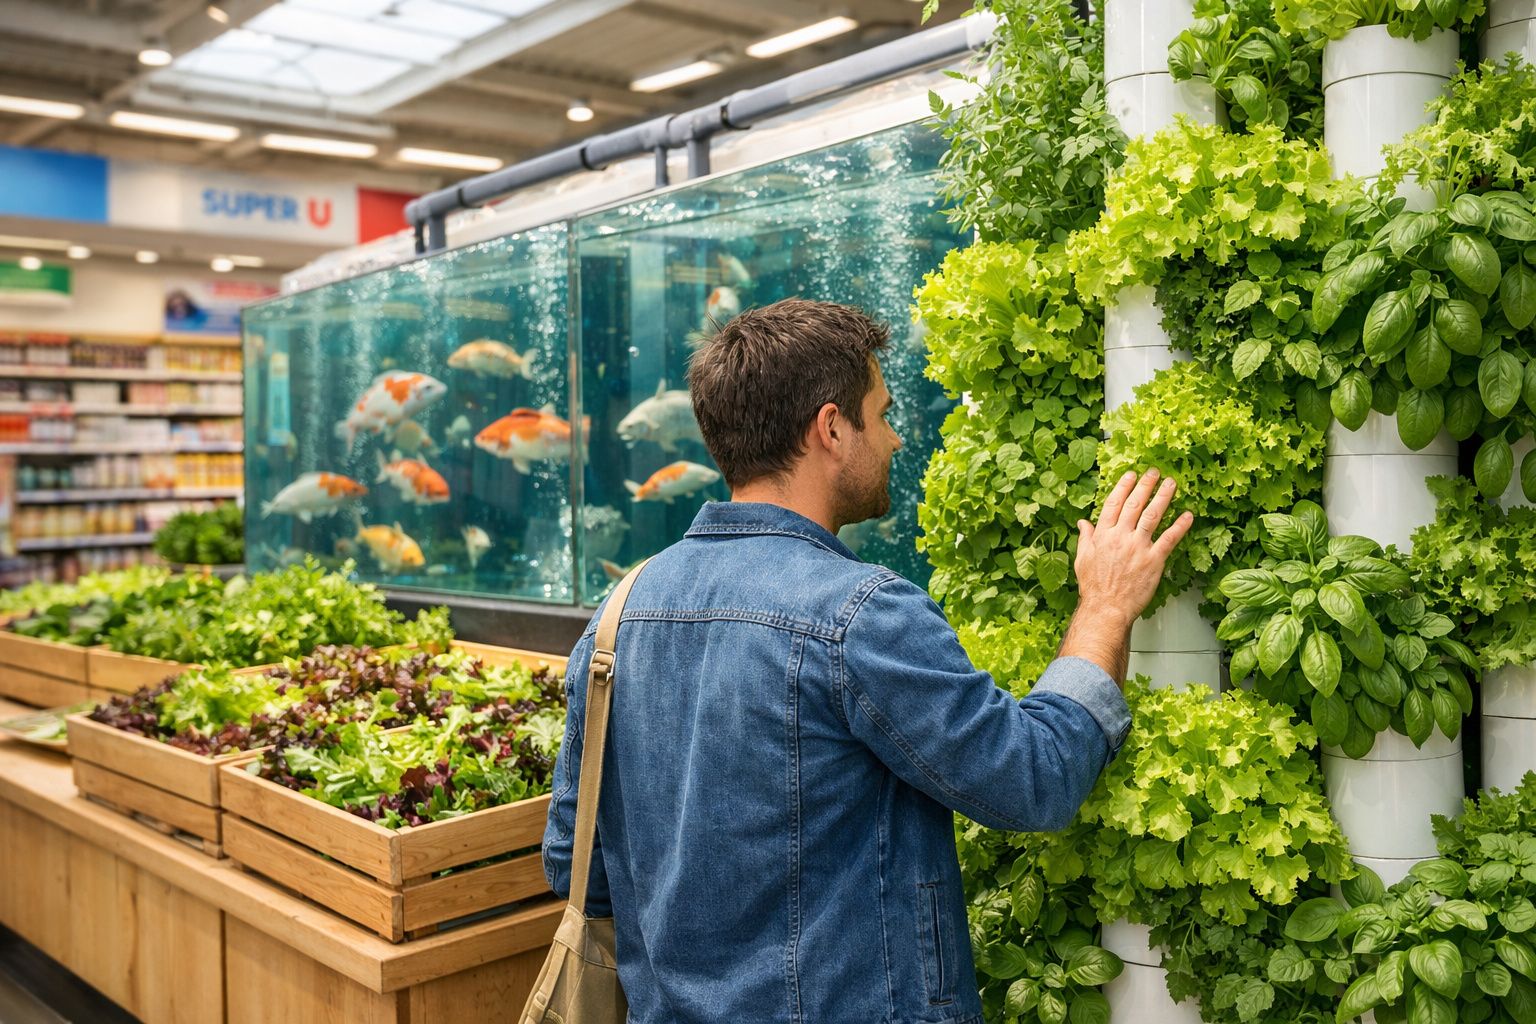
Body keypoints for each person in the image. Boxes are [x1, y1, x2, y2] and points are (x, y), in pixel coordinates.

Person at [542, 298, 1192, 1023]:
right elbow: (1031, 780)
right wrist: (1104, 606)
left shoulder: (619, 613)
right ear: (830, 429)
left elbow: (573, 864)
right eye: (881, 414)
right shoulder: (860, 615)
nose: (895, 439)